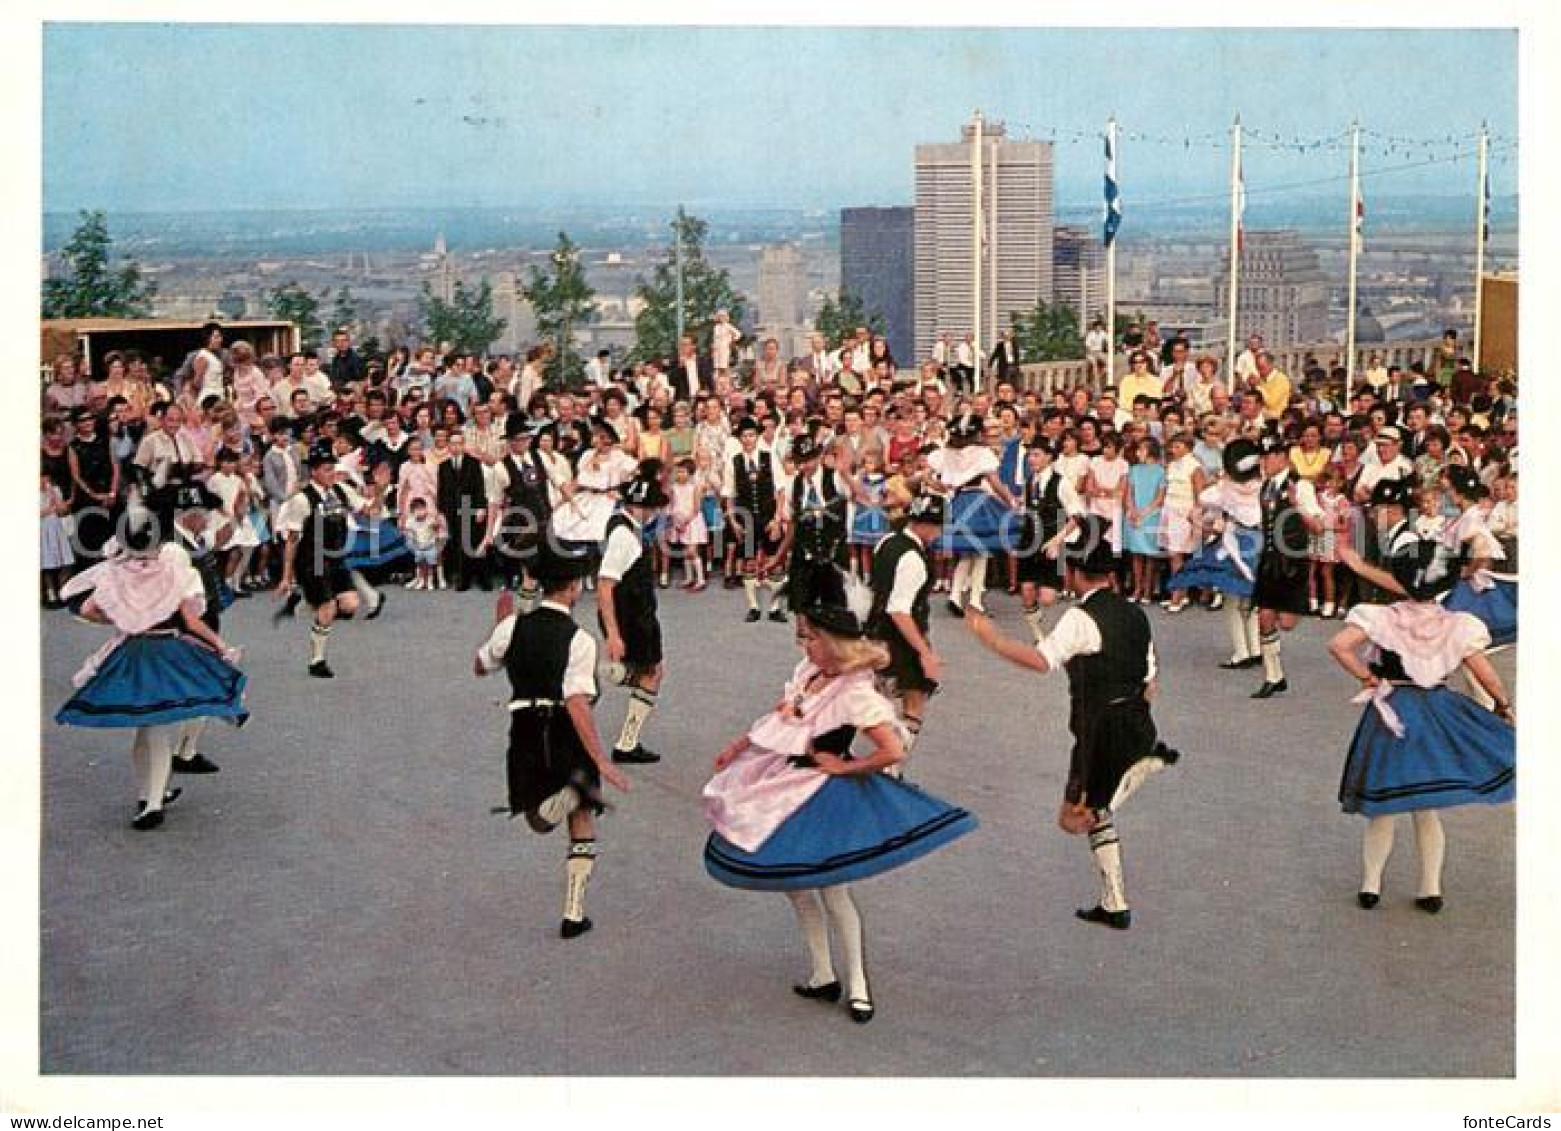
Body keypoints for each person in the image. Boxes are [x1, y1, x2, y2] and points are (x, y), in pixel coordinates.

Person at [702, 566, 977, 1023]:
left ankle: (858, 986)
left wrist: (846, 766)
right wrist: (739, 745)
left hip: (822, 793)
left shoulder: (855, 692)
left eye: (808, 637)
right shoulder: (808, 673)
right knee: (794, 884)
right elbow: (780, 721)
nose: (802, 644)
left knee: (833, 891)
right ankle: (822, 973)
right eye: (801, 636)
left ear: (832, 640)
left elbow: (891, 750)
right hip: (784, 784)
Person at [965, 515, 1179, 930]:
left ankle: (1129, 780)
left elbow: (1042, 661)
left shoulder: (1081, 618)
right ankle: (1114, 902)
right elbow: (1151, 681)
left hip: (1101, 731)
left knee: (1073, 819)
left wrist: (991, 638)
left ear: (1076, 572)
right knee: (1093, 813)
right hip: (1136, 721)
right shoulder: (1136, 616)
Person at [1328, 532, 1514, 914]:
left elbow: (1339, 646)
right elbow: (1483, 671)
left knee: (1384, 804)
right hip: (1436, 711)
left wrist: (1367, 678)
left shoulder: (1381, 616)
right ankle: (1430, 888)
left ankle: (1371, 884)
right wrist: (1503, 703)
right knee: (1426, 805)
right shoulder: (1457, 624)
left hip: (1392, 707)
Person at [473, 541, 632, 939]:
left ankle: (555, 803)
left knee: (536, 814)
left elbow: (480, 667)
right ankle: (573, 912)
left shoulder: (513, 627)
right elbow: (577, 702)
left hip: (523, 725)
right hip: (562, 727)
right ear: (574, 587)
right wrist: (600, 759)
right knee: (581, 819)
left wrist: (499, 630)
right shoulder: (579, 640)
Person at [55, 500, 246, 830]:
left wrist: (123, 620)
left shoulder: (117, 573)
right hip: (167, 649)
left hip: (132, 651)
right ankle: (152, 801)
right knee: (154, 726)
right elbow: (192, 619)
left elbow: (87, 609)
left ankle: (150, 796)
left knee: (146, 727)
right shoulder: (175, 571)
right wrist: (220, 646)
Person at [275, 447, 380, 679]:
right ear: (313, 472)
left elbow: (371, 511)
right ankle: (317, 660)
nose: (332, 473)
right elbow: (292, 541)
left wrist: (380, 488)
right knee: (328, 607)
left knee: (351, 605)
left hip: (336, 558)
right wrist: (286, 576)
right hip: (312, 560)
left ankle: (308, 602)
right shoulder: (302, 501)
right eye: (326, 469)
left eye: (333, 468)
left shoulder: (342, 491)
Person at [597, 461, 671, 766]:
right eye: (652, 507)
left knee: (650, 672)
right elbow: (604, 585)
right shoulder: (624, 537)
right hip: (632, 618)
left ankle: (628, 741)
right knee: (652, 673)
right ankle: (626, 743)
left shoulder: (624, 526)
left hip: (636, 612)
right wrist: (613, 634)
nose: (655, 512)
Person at [865, 493, 946, 771]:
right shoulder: (913, 559)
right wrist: (925, 653)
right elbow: (899, 610)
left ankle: (886, 762)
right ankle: (891, 766)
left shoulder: (887, 542)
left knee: (882, 702)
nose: (939, 533)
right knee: (914, 701)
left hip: (874, 633)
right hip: (901, 638)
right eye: (937, 527)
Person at [1249, 434, 1324, 698]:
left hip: (1292, 561)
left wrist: (1296, 506)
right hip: (1270, 559)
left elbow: (1318, 527)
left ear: (1282, 458)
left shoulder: (1300, 486)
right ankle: (1273, 675)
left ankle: (1275, 670)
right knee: (1264, 617)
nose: (1264, 462)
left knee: (1288, 623)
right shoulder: (1265, 486)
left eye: (1268, 456)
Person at [928, 412, 1019, 616]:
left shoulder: (947, 453)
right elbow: (995, 483)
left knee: (970, 551)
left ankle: (956, 594)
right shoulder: (982, 453)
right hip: (979, 501)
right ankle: (975, 600)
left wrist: (944, 487)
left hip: (958, 501)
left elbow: (935, 478)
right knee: (981, 550)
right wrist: (1009, 501)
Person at [1015, 440, 1084, 642]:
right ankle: (1038, 634)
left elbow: (1077, 514)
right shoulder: (1029, 482)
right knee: (1026, 590)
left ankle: (1052, 624)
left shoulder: (1060, 482)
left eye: (1036, 455)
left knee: (1047, 598)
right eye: (1030, 456)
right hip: (1029, 540)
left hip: (1051, 541)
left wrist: (1058, 539)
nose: (1032, 460)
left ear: (1048, 457)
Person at [723, 417, 785, 622]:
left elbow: (781, 490)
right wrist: (733, 520)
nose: (748, 439)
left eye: (751, 435)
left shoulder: (770, 457)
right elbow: (729, 494)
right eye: (744, 436)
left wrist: (777, 519)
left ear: (757, 437)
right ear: (739, 439)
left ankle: (775, 607)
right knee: (748, 561)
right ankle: (754, 606)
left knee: (774, 562)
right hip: (746, 517)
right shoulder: (734, 461)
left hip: (768, 516)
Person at [784, 433, 851, 621]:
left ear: (819, 456)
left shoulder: (835, 478)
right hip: (804, 554)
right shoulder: (794, 485)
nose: (805, 466)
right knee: (802, 614)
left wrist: (845, 472)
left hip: (833, 552)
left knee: (837, 613)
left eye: (809, 459)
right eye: (800, 461)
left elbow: (857, 495)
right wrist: (780, 555)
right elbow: (792, 523)